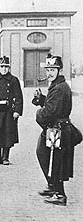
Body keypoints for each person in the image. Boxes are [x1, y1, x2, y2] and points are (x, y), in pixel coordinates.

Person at [33, 54, 74, 206]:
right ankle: (53, 187)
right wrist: (42, 99)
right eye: (48, 69)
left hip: (58, 130)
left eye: (53, 70)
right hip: (57, 128)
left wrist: (38, 113)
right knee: (48, 156)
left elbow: (50, 112)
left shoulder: (58, 88)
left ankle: (60, 194)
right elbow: (55, 106)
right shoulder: (59, 86)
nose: (49, 73)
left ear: (60, 71)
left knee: (55, 160)